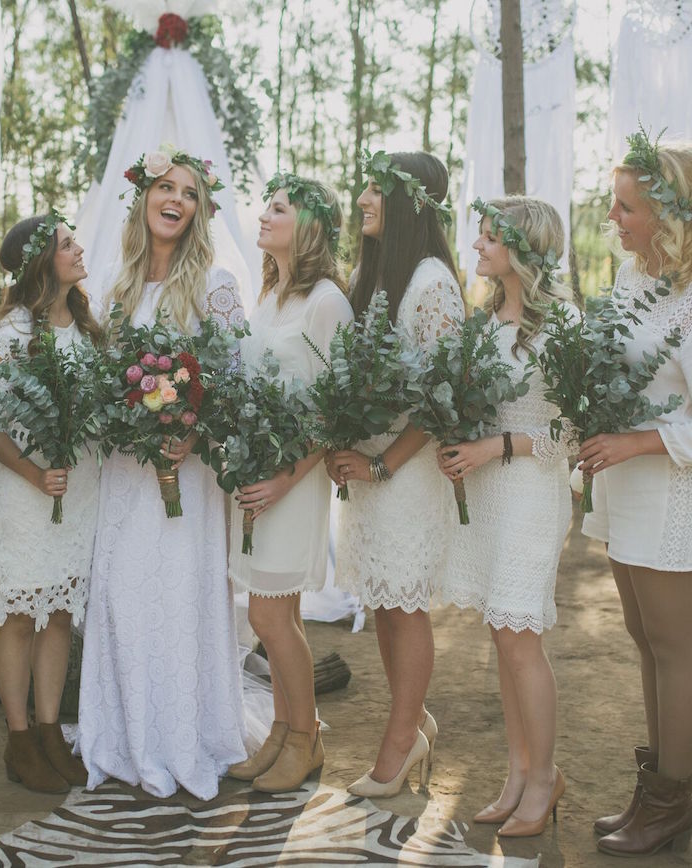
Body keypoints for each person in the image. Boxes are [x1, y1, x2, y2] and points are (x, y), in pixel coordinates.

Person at [581, 133, 692, 857]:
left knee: (675, 643)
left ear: (669, 214)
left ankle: (671, 805)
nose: (612, 219)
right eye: (613, 204)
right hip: (627, 484)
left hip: (675, 486)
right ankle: (652, 789)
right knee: (642, 636)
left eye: (626, 208)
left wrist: (638, 442)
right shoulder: (632, 279)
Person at [78, 145, 248, 800]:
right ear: (143, 198)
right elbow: (101, 384)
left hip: (188, 473)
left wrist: (194, 434)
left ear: (200, 210)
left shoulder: (215, 287)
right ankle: (121, 734)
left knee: (177, 597)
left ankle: (184, 735)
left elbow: (236, 386)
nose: (174, 200)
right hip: (124, 474)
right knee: (124, 597)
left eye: (188, 192)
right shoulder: (115, 289)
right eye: (164, 188)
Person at [437, 196, 576, 836]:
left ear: (522, 248)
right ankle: (518, 772)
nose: (478, 247)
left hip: (531, 494)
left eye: (489, 238)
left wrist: (497, 446)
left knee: (521, 639)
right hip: (489, 496)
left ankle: (545, 779)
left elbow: (573, 437)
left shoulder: (566, 324)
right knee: (502, 638)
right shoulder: (484, 322)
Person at [328, 150, 463, 798]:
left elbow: (443, 400)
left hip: (404, 472)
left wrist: (383, 462)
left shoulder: (432, 281)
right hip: (370, 471)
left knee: (405, 607)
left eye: (376, 189)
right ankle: (414, 722)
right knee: (383, 603)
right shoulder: (379, 271)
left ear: (409, 201)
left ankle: (400, 740)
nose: (362, 199)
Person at [225, 174, 352, 792]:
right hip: (257, 478)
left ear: (311, 227)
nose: (264, 215)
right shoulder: (269, 296)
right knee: (280, 617)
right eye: (266, 205)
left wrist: (283, 479)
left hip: (293, 483)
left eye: (279, 208)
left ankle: (306, 738)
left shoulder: (327, 301)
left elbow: (336, 411)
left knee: (269, 617)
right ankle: (281, 731)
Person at [0, 212, 103, 793]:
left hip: (78, 495)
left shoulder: (89, 331)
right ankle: (19, 737)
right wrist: (33, 474)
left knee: (59, 615)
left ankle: (52, 731)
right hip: (28, 496)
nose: (79, 250)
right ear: (40, 263)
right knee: (22, 614)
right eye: (66, 244)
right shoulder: (10, 336)